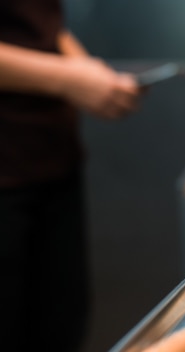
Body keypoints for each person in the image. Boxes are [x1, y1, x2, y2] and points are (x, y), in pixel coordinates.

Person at [0, 1, 142, 351]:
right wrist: (70, 78)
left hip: (51, 158)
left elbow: (42, 24)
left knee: (60, 327)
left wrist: (90, 71)